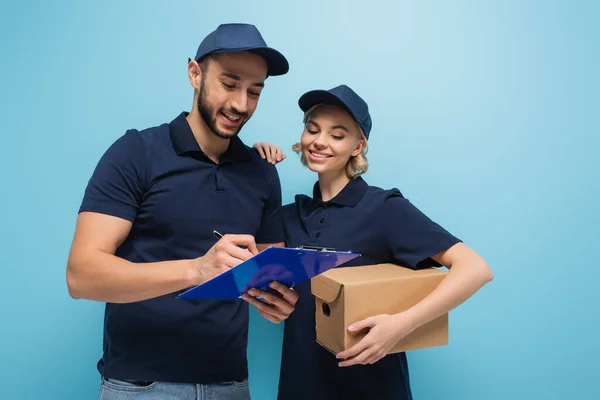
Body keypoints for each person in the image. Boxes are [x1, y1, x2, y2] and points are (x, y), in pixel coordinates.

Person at [66, 23, 299, 400]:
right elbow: (81, 275)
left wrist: (276, 301)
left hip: (231, 385)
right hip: (141, 385)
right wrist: (196, 270)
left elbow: (268, 272)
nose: (241, 104)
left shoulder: (262, 173)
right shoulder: (136, 152)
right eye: (229, 83)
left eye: (254, 91)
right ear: (195, 74)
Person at [250, 84, 494, 399]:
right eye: (313, 130)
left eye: (337, 135)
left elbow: (476, 268)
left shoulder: (384, 208)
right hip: (300, 387)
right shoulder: (288, 216)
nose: (320, 142)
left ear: (358, 145)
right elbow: (252, 270)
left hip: (372, 388)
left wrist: (401, 325)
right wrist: (252, 166)